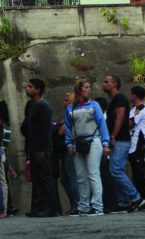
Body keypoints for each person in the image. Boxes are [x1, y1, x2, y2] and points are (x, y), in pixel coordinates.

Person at [64, 80, 110, 216]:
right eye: (86, 87)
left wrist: (105, 143)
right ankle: (83, 206)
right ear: (79, 90)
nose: (89, 90)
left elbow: (102, 124)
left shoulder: (94, 105)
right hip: (78, 142)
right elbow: (68, 127)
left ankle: (97, 206)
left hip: (94, 140)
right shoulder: (70, 108)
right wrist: (69, 144)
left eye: (90, 87)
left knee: (93, 174)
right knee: (81, 176)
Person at [102, 75, 145, 212]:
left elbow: (120, 118)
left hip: (121, 140)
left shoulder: (119, 98)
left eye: (106, 82)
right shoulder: (113, 100)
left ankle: (136, 197)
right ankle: (123, 202)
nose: (103, 84)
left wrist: (113, 136)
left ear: (114, 84)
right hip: (118, 140)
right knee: (115, 170)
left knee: (115, 170)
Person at [22, 78, 59, 217]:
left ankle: (51, 208)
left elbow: (45, 130)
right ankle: (39, 207)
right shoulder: (33, 105)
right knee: (37, 179)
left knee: (45, 178)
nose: (27, 88)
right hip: (34, 148)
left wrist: (41, 149)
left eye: (30, 86)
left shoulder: (44, 106)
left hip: (42, 149)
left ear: (38, 89)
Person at [127, 86, 145, 208]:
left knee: (144, 174)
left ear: (134, 95)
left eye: (131, 93)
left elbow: (130, 124)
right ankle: (142, 201)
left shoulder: (141, 108)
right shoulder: (133, 110)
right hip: (133, 146)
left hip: (142, 145)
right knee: (137, 175)